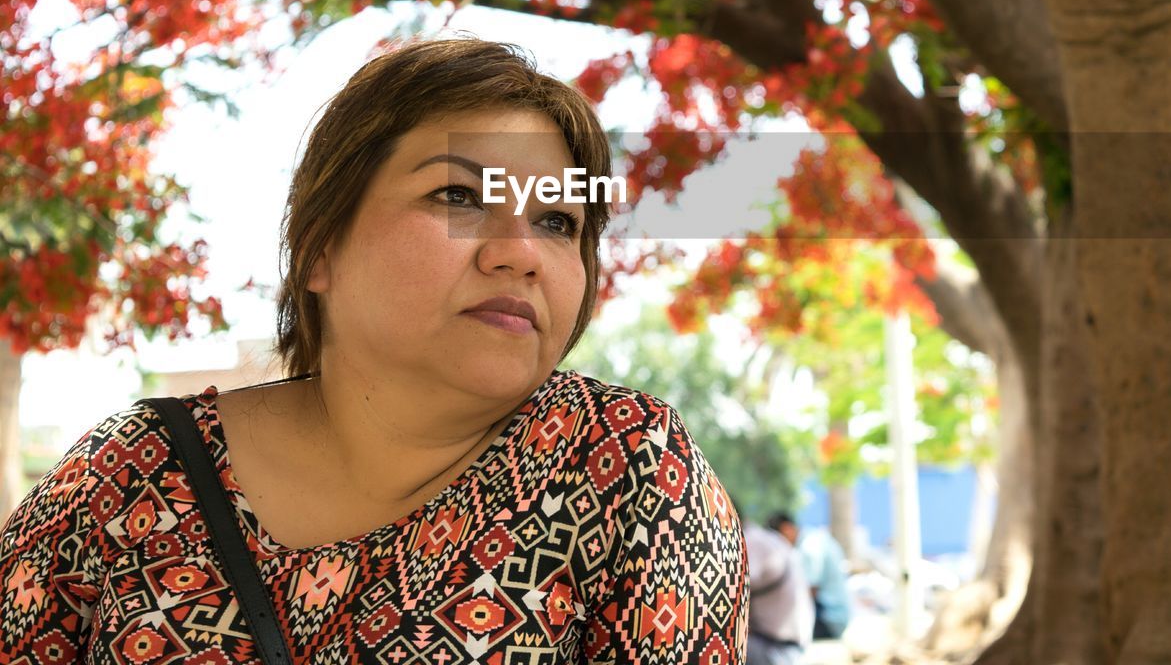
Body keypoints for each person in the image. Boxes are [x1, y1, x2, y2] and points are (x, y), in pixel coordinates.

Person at [0, 38, 748, 663]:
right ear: (321, 247)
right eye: (458, 197)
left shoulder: (627, 470)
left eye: (558, 221)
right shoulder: (128, 479)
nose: (520, 253)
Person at [766, 512, 851, 641]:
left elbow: (809, 591)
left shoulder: (809, 547)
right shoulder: (814, 539)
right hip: (835, 616)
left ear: (786, 529)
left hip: (828, 619)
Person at [742, 513, 813, 665]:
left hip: (779, 650)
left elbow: (731, 589)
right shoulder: (772, 541)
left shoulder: (754, 541)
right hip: (787, 646)